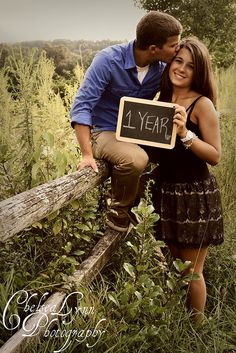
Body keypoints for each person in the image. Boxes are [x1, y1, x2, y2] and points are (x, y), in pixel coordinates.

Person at [70, 11, 182, 232]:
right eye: (173, 45)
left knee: (177, 153)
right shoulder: (108, 61)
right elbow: (82, 106)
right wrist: (86, 154)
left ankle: (151, 212)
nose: (177, 49)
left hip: (138, 133)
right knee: (136, 159)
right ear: (153, 49)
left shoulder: (162, 69)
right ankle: (118, 213)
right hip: (104, 131)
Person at [153, 37, 224, 321]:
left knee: (192, 270)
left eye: (190, 66)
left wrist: (185, 134)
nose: (181, 68)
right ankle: (180, 317)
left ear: (199, 72)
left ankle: (197, 327)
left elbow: (215, 155)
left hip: (194, 195)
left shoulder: (201, 103)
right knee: (178, 265)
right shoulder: (160, 98)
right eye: (178, 60)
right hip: (165, 192)